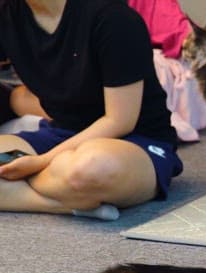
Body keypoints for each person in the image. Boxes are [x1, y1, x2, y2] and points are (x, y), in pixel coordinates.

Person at [0, 0, 183, 220]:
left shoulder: (112, 18)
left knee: (90, 169)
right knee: (71, 171)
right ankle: (68, 205)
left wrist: (39, 162)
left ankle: (58, 185)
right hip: (61, 133)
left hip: (133, 140)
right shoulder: (7, 13)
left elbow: (119, 121)